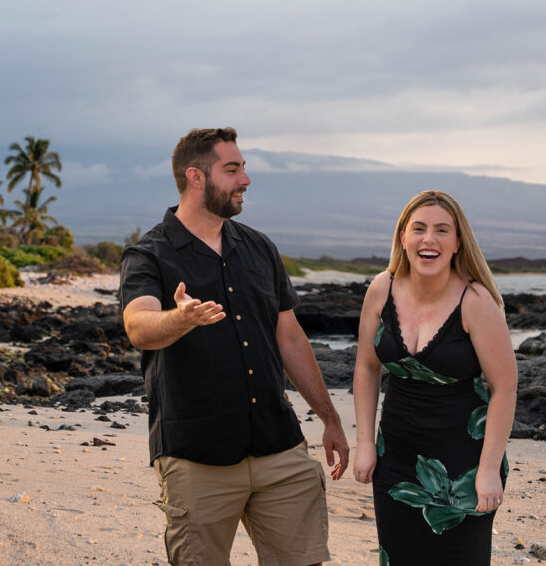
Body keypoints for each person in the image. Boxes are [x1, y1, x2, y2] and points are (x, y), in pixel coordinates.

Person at [119, 127, 349, 566]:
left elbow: (290, 337)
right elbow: (139, 326)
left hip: (279, 447)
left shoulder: (259, 248)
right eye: (233, 169)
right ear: (196, 177)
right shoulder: (149, 255)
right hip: (196, 457)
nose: (245, 179)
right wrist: (180, 318)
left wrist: (330, 418)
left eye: (242, 167)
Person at [352, 190, 517, 565]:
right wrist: (364, 444)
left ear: (458, 242)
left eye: (442, 230)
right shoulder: (382, 288)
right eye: (419, 229)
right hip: (395, 459)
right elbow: (366, 366)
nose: (430, 239)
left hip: (465, 464)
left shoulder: (476, 301)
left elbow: (505, 387)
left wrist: (489, 470)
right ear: (403, 237)